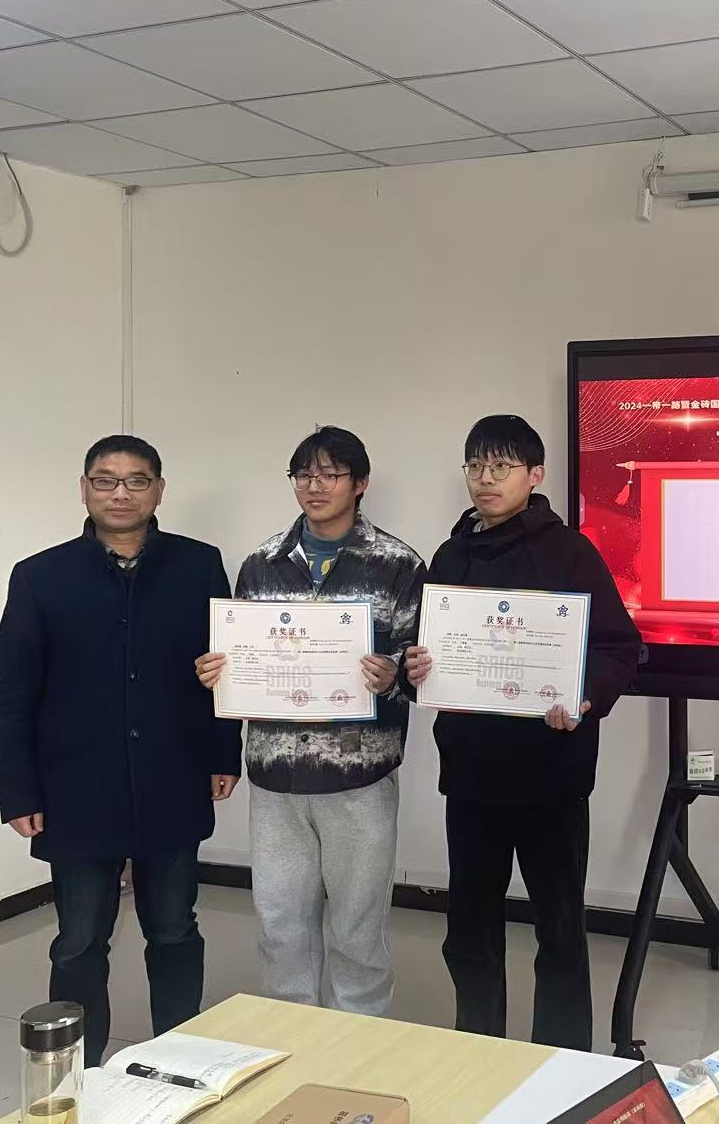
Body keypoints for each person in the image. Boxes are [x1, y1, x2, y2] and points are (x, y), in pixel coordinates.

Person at [0, 435, 241, 1068]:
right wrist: (18, 788)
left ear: (159, 489)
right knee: (79, 942)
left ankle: (180, 1060)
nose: (120, 493)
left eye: (136, 481)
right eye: (105, 481)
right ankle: (78, 1074)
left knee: (175, 929)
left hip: (172, 774)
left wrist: (223, 753)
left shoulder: (199, 565)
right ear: (84, 489)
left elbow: (225, 668)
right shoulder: (40, 575)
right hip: (76, 786)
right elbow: (14, 691)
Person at [405, 415, 641, 1051]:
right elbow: (424, 650)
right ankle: (478, 1048)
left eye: (501, 467)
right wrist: (414, 666)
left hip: (551, 773)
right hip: (472, 772)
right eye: (476, 466)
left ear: (535, 475)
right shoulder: (450, 556)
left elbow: (620, 646)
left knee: (558, 927)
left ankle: (563, 1061)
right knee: (469, 927)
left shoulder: (571, 552)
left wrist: (585, 696)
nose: (486, 479)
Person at [195, 427, 424, 1015]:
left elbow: (420, 663)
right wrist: (221, 671)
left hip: (359, 777)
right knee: (280, 925)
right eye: (304, 475)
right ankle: (292, 1037)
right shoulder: (261, 563)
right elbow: (241, 654)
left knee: (358, 930)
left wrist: (392, 673)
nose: (314, 486)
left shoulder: (398, 564)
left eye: (330, 475)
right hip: (276, 775)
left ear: (360, 483)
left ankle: (359, 1040)